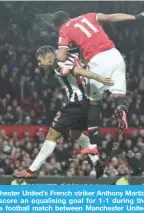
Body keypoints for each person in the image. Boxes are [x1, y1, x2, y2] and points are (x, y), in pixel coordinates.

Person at [13, 46, 113, 179]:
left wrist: (97, 77)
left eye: (40, 61)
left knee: (52, 135)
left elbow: (77, 71)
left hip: (77, 104)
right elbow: (82, 47)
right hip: (90, 102)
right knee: (75, 133)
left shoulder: (59, 67)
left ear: (48, 58)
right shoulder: (70, 52)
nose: (39, 64)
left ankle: (32, 170)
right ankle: (97, 162)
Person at [52, 10, 144, 141]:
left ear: (57, 25)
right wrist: (136, 17)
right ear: (68, 17)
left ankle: (94, 134)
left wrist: (56, 54)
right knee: (119, 95)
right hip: (115, 55)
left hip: (97, 60)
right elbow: (112, 17)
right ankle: (121, 110)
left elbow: (62, 57)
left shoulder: (64, 30)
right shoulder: (88, 16)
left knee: (94, 101)